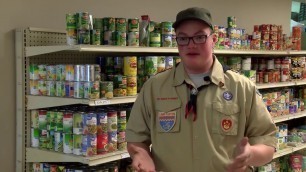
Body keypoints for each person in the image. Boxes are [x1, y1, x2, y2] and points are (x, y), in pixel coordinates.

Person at [126, 7, 277, 172]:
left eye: (199, 37)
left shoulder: (242, 87)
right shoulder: (154, 87)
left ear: (214, 39)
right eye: (183, 38)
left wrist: (251, 154)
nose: (191, 45)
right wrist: (141, 154)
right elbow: (136, 139)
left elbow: (267, 143)